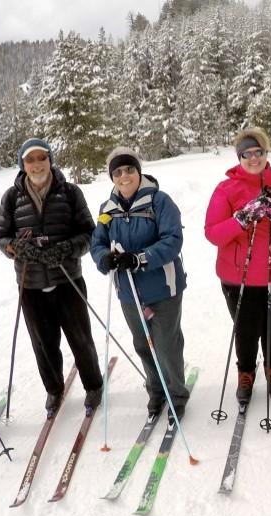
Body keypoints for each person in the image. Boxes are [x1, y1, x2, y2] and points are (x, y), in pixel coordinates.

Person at [0, 138, 103, 415]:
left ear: (50, 160)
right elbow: (1, 237)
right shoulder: (11, 197)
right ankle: (54, 390)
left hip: (67, 279)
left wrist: (67, 248)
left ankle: (93, 385)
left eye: (41, 158)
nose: (36, 164)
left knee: (80, 338)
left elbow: (90, 233)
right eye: (30, 160)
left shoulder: (69, 193)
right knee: (43, 344)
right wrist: (13, 248)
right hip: (30, 284)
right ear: (22, 164)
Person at [204, 127, 271, 401]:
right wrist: (241, 219)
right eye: (246, 154)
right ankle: (246, 372)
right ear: (238, 157)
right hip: (240, 276)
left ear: (265, 152)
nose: (253, 158)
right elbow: (213, 232)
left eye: (257, 152)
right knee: (246, 328)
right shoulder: (226, 188)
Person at [89, 148, 190, 420]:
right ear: (112, 177)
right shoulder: (107, 209)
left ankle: (176, 394)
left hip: (162, 287)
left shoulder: (160, 201)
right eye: (118, 172)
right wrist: (104, 259)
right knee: (143, 344)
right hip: (128, 293)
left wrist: (139, 258)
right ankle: (156, 391)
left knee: (166, 344)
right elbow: (97, 242)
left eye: (129, 169)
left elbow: (172, 241)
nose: (125, 176)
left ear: (139, 171)